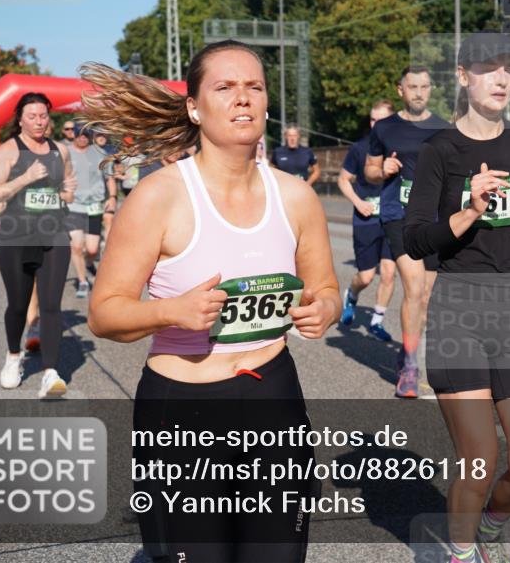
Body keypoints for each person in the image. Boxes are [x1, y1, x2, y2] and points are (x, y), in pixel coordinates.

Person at [84, 39, 340, 561]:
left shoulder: (296, 196)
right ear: (195, 108)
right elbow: (104, 312)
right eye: (225, 87)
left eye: (254, 87)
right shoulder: (158, 196)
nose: (243, 98)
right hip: (183, 409)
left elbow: (327, 288)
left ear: (268, 103)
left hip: (274, 398)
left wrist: (324, 309)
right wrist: (169, 311)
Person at [404, 32, 510, 563]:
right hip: (460, 314)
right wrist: (469, 208)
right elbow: (415, 237)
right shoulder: (440, 150)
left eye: (508, 67)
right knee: (479, 459)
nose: (501, 77)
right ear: (463, 76)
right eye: (488, 68)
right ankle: (461, 552)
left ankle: (491, 523)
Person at [0, 92, 77, 398]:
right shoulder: (8, 151)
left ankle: (50, 373)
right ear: (20, 119)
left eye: (43, 116)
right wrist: (24, 178)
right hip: (16, 237)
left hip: (53, 234)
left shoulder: (59, 151)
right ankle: (13, 357)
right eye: (32, 116)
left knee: (51, 306)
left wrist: (66, 191)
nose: (39, 122)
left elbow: (67, 192)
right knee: (18, 305)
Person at [365, 66, 447, 398]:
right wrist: (380, 169)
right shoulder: (385, 128)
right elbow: (369, 170)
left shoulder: (444, 128)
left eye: (424, 86)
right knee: (413, 288)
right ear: (401, 90)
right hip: (397, 214)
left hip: (435, 219)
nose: (418, 92)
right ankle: (411, 367)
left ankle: (407, 349)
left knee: (426, 296)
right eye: (412, 86)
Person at [337, 99, 397, 341]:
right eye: (373, 119)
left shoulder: (401, 149)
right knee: (365, 276)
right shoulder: (360, 148)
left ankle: (377, 321)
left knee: (389, 272)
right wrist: (358, 202)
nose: (376, 124)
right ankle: (351, 296)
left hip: (393, 219)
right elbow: (343, 180)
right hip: (366, 219)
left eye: (382, 120)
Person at [65, 123, 116, 298]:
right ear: (74, 135)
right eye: (79, 134)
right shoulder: (66, 153)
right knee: (76, 246)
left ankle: (88, 264)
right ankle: (83, 281)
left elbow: (109, 178)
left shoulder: (100, 153)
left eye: (86, 135)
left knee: (93, 249)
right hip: (73, 206)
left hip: (94, 204)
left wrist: (112, 197)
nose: (82, 138)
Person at [93, 132, 120, 241]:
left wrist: (119, 171)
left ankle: (106, 252)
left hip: (108, 190)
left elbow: (119, 167)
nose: (102, 138)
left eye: (103, 135)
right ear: (94, 137)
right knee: (95, 221)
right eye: (98, 135)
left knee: (108, 218)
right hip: (92, 193)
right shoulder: (88, 150)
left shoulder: (112, 150)